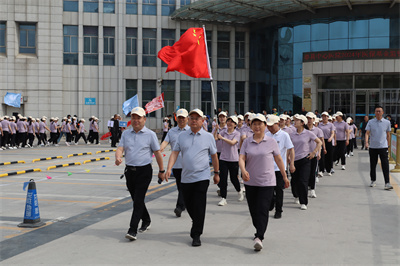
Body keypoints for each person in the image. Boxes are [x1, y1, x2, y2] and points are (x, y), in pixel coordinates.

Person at [165, 108, 219, 247]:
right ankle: (197, 222)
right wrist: (169, 168)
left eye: (197, 118)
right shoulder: (182, 137)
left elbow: (214, 156)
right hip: (186, 177)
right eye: (192, 118)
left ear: (202, 121)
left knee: (199, 204)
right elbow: (175, 153)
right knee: (189, 205)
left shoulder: (208, 137)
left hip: (202, 176)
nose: (194, 120)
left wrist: (217, 173)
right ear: (189, 120)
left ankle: (196, 234)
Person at [239, 113, 289, 251]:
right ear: (251, 126)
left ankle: (259, 236)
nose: (257, 126)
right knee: (253, 210)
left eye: (260, 124)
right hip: (250, 182)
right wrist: (243, 171)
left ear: (265, 126)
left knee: (262, 210)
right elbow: (242, 158)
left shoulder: (271, 142)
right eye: (254, 124)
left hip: (267, 181)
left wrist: (285, 176)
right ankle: (259, 229)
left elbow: (279, 159)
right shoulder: (247, 141)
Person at [115, 107, 165, 241]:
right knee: (137, 199)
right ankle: (147, 219)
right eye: (133, 117)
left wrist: (162, 171)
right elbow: (120, 147)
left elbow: (157, 153)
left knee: (138, 200)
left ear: (144, 119)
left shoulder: (150, 135)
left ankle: (132, 230)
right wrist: (118, 156)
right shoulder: (126, 134)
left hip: (144, 171)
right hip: (130, 172)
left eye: (138, 118)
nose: (136, 120)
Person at [160, 109, 190, 217]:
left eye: (183, 117)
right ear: (176, 118)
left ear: (187, 118)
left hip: (188, 165)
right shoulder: (172, 131)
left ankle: (179, 206)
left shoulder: (191, 130)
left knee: (183, 186)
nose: (181, 120)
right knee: (180, 186)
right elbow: (165, 142)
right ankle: (183, 204)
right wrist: (160, 149)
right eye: (179, 117)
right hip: (176, 164)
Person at [289, 115, 322, 210]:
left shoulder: (308, 133)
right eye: (294, 120)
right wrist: (288, 158)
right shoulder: (292, 134)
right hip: (294, 160)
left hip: (305, 160)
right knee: (294, 180)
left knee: (303, 180)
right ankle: (296, 195)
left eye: (297, 121)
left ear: (302, 123)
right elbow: (289, 148)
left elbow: (319, 142)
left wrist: (314, 152)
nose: (294, 122)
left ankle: (303, 202)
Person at [265, 115, 294, 219]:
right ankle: (271, 202)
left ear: (277, 124)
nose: (269, 128)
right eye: (268, 126)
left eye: (271, 126)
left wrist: (292, 163)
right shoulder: (266, 135)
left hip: (279, 168)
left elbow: (291, 148)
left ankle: (279, 210)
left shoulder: (284, 135)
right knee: (269, 190)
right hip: (268, 168)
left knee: (279, 190)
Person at [214, 115, 243, 206]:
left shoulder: (237, 133)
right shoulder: (223, 132)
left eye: (232, 122)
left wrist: (222, 138)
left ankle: (239, 191)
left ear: (235, 124)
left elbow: (232, 143)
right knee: (223, 179)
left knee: (233, 178)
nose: (229, 123)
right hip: (223, 158)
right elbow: (215, 138)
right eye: (228, 121)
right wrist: (216, 130)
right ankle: (223, 198)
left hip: (233, 159)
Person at [365, 106, 393, 190]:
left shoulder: (387, 122)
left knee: (385, 165)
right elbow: (367, 133)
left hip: (383, 147)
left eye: (379, 111)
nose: (378, 113)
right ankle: (373, 180)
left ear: (382, 112)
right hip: (373, 147)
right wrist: (366, 142)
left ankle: (387, 183)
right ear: (374, 112)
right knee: (373, 165)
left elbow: (388, 135)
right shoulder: (370, 122)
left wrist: (388, 145)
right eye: (376, 111)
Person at [306, 112, 324, 198]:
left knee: (313, 172)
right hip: (303, 154)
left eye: (311, 118)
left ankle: (312, 190)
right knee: (305, 173)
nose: (309, 120)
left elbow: (320, 143)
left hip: (313, 154)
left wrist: (318, 153)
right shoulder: (303, 129)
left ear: (314, 120)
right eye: (308, 118)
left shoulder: (318, 130)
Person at [318, 112, 335, 176]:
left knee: (329, 155)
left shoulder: (331, 125)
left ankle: (329, 169)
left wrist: (331, 138)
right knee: (322, 155)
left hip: (328, 140)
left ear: (328, 117)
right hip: (321, 140)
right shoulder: (320, 125)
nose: (324, 118)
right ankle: (321, 170)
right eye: (323, 116)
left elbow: (333, 133)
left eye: (326, 116)